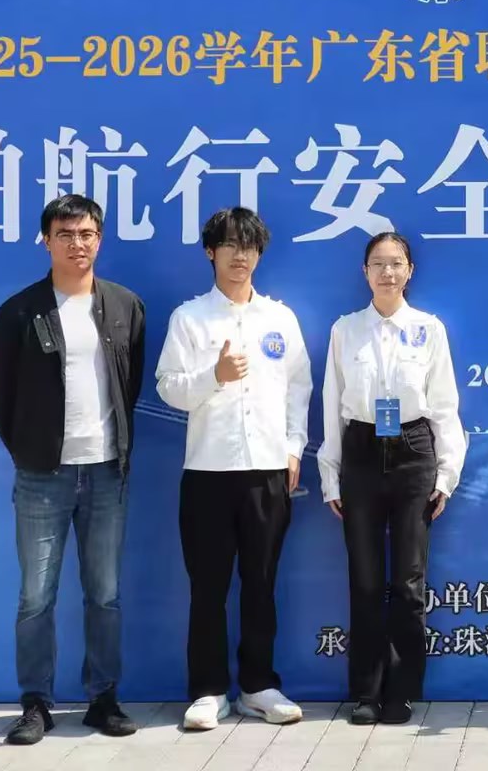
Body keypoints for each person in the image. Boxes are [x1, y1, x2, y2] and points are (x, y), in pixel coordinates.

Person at [0, 194, 145, 745]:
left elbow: (130, 384)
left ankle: (103, 698)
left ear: (99, 239)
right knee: (36, 596)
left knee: (105, 593)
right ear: (47, 241)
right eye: (65, 234)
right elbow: (0, 399)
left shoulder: (124, 305)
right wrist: (32, 453)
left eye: (87, 234)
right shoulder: (19, 312)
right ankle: (36, 702)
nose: (78, 244)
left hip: (105, 472)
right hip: (42, 477)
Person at [155, 207, 311, 731]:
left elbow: (298, 387)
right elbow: (167, 387)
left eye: (249, 246)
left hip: (267, 470)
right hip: (208, 472)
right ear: (210, 252)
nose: (240, 255)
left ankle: (258, 686)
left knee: (261, 583)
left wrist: (293, 448)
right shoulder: (190, 318)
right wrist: (214, 375)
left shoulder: (279, 319)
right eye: (229, 245)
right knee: (208, 587)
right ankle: (208, 691)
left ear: (259, 254)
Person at [316, 231, 466, 726]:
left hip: (413, 452)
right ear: (365, 272)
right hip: (360, 452)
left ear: (409, 271)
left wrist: (446, 474)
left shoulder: (428, 329)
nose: (387, 272)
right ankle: (365, 691)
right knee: (364, 580)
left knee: (407, 580)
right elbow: (332, 405)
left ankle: (401, 690)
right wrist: (331, 475)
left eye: (396, 263)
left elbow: (444, 406)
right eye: (378, 264)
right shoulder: (345, 329)